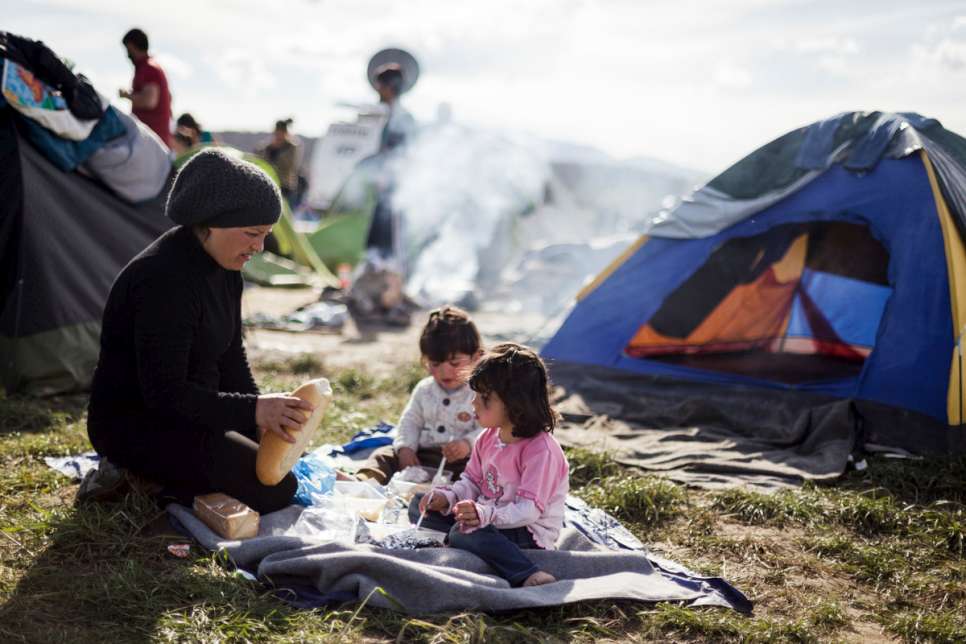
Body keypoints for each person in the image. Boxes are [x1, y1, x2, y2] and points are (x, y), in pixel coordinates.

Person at [87, 148, 312, 514]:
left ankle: (176, 478)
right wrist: (253, 410)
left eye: (266, 235)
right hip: (139, 424)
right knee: (275, 490)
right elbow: (163, 394)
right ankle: (134, 476)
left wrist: (262, 422)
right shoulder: (162, 280)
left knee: (276, 466)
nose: (259, 247)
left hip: (197, 412)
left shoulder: (227, 268)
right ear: (210, 223)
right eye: (252, 234)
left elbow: (230, 355)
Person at [410, 343, 568, 588]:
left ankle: (526, 573)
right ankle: (459, 540)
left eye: (484, 398)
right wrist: (447, 497)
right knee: (419, 506)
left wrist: (485, 515)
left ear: (515, 403)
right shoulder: (487, 437)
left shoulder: (540, 450)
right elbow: (471, 482)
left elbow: (528, 511)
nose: (473, 403)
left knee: (464, 532)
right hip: (488, 518)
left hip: (526, 532)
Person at [355, 306, 483, 484]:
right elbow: (410, 421)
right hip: (423, 454)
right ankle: (365, 482)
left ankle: (459, 493)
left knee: (483, 470)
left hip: (462, 460)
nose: (445, 371)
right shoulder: (424, 390)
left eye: (455, 363)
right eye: (435, 364)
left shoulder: (480, 392)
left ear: (476, 357)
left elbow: (488, 430)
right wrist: (406, 449)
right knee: (383, 455)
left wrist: (467, 444)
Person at [119, 28, 172, 147]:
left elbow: (149, 101)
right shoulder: (147, 68)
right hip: (150, 140)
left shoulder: (149, 69)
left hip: (152, 142)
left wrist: (126, 95)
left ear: (133, 47)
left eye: (128, 50)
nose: (127, 55)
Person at [256, 118, 300, 203]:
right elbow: (260, 159)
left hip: (285, 185)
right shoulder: (268, 147)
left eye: (281, 133)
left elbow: (291, 165)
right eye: (277, 133)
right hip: (269, 181)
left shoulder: (292, 147)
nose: (279, 135)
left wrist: (278, 150)